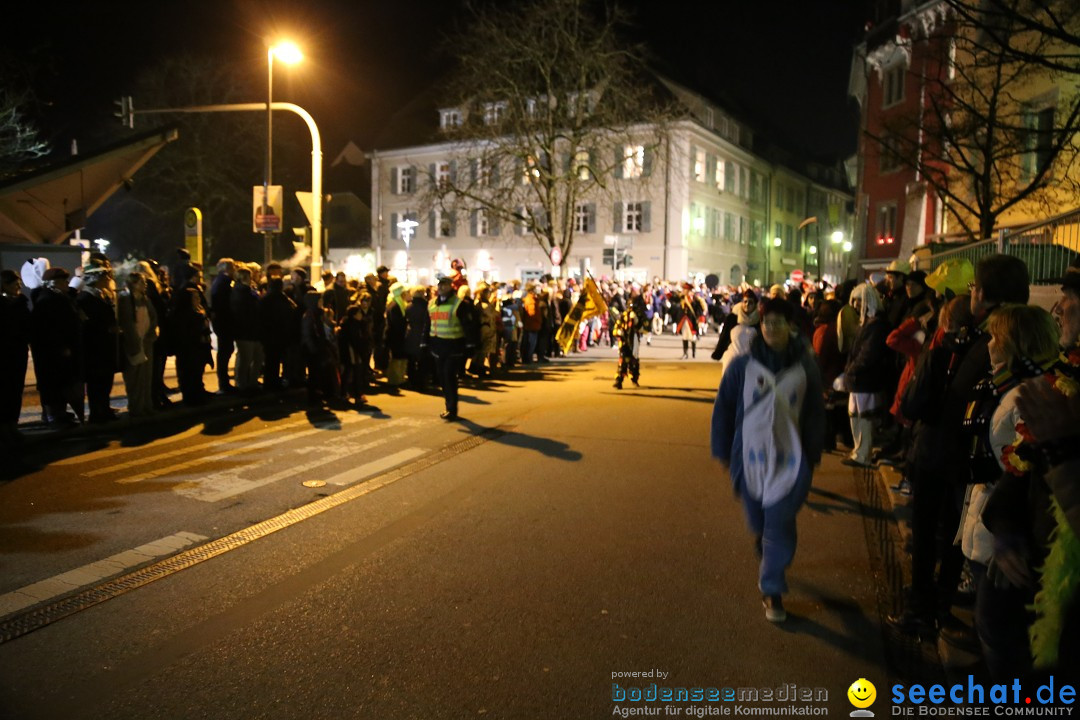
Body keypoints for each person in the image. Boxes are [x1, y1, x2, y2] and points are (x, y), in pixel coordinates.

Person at [711, 297, 825, 623]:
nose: (771, 327)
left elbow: (815, 413)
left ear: (791, 325)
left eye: (778, 322)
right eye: (766, 322)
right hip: (748, 460)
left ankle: (771, 588)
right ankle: (767, 545)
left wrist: (814, 451)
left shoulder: (805, 368)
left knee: (779, 522)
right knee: (760, 524)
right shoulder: (742, 367)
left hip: (791, 459)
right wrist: (721, 448)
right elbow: (724, 407)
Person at [839, 282, 890, 468]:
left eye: (858, 302)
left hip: (865, 380)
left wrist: (851, 369)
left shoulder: (876, 325)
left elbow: (867, 354)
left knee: (864, 418)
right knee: (856, 416)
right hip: (859, 379)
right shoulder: (869, 323)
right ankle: (858, 449)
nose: (855, 306)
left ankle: (863, 453)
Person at [30, 267, 84, 426]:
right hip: (53, 353)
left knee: (63, 381)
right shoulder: (47, 300)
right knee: (55, 383)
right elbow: (50, 329)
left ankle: (60, 413)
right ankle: (54, 415)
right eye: (63, 281)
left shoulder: (57, 297)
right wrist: (61, 346)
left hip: (62, 351)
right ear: (54, 283)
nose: (66, 284)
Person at [426, 276, 470, 420]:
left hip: (453, 346)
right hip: (438, 346)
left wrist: (469, 346)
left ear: (451, 286)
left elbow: (467, 326)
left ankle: (452, 409)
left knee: (449, 376)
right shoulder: (432, 303)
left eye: (444, 285)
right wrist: (424, 342)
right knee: (442, 378)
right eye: (439, 285)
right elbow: (428, 325)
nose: (441, 288)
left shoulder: (458, 304)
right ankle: (448, 406)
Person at [117, 271, 158, 418]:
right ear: (133, 283)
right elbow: (127, 323)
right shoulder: (126, 299)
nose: (144, 285)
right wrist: (134, 341)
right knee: (134, 378)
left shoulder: (145, 299)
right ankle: (136, 407)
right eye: (141, 282)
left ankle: (147, 405)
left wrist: (151, 332)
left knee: (147, 376)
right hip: (134, 343)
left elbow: (153, 317)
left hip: (146, 341)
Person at [1, 269, 31, 444]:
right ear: (4, 284)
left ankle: (13, 424)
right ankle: (4, 427)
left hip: (18, 353)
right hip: (4, 354)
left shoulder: (21, 303)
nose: (19, 286)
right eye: (14, 283)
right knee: (5, 391)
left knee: (16, 390)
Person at [171, 286, 213, 406]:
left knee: (198, 373)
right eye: (195, 297)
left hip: (200, 347)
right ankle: (191, 397)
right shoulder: (184, 313)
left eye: (198, 297)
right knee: (189, 374)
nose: (198, 299)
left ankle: (199, 394)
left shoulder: (199, 310)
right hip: (189, 349)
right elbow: (186, 332)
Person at [230, 266, 263, 393]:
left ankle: (250, 383)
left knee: (255, 357)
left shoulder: (247, 291)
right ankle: (242, 384)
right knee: (245, 359)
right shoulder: (241, 292)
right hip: (246, 331)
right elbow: (248, 310)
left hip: (252, 330)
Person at [209, 258, 235, 393]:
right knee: (225, 351)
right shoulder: (224, 283)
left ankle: (223, 382)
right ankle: (224, 383)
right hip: (225, 322)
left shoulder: (218, 282)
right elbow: (226, 304)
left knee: (224, 351)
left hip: (221, 322)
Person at [677, 287, 706, 359]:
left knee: (693, 338)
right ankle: (685, 353)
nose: (687, 293)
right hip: (684, 320)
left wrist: (701, 320)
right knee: (684, 337)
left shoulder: (696, 300)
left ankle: (693, 353)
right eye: (686, 291)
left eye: (688, 291)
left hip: (693, 321)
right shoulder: (683, 299)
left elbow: (700, 311)